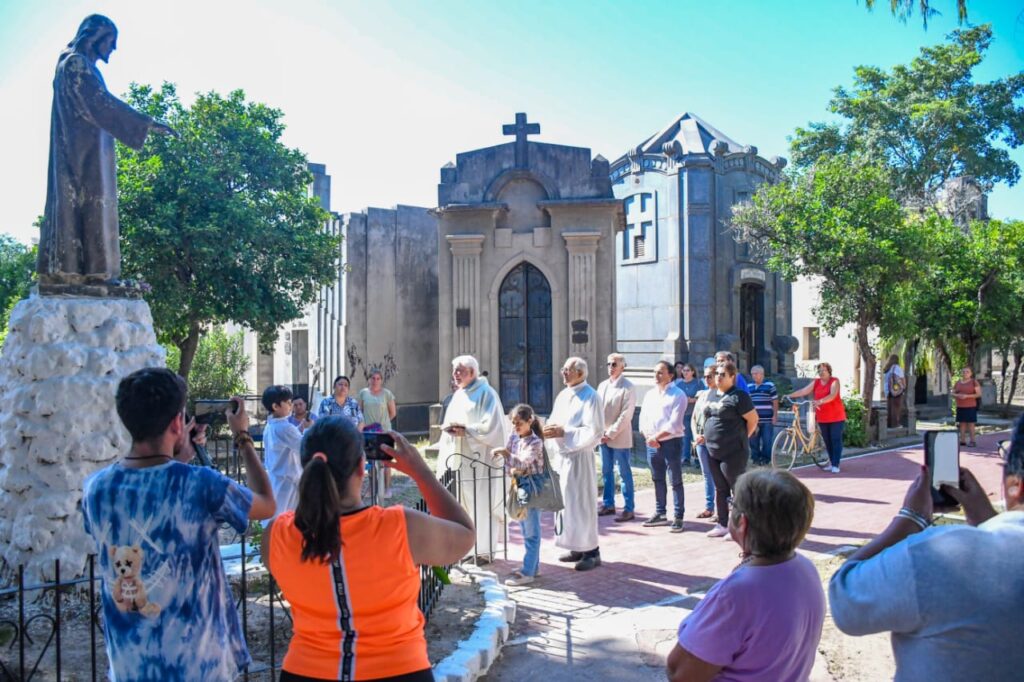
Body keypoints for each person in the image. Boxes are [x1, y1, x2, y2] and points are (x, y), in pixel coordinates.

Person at [82, 368, 275, 680]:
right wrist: (242, 437)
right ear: (176, 422)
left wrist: (176, 462)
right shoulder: (200, 484)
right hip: (198, 666)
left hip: (130, 665)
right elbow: (266, 503)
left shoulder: (96, 488)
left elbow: (149, 508)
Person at [262, 418, 475, 682]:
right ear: (362, 467)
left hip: (304, 673)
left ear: (305, 467)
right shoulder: (401, 528)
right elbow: (465, 534)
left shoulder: (276, 535)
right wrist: (420, 471)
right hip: (400, 672)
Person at [828, 415, 1024, 681]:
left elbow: (845, 599)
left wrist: (910, 519)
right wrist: (988, 520)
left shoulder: (939, 557)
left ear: (1015, 486)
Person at [39, 15, 175, 284]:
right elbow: (102, 104)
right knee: (91, 205)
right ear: (94, 37)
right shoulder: (76, 64)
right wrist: (148, 124)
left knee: (86, 207)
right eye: (111, 42)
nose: (113, 49)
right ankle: (95, 274)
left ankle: (83, 272)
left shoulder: (73, 64)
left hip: (84, 149)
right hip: (84, 156)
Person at [667, 470, 824, 682]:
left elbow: (679, 672)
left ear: (742, 522)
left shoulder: (737, 594)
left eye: (733, 504)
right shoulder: (805, 568)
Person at [437, 355, 509, 560]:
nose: (455, 374)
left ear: (472, 372)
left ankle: (484, 551)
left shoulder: (487, 394)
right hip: (461, 459)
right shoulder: (459, 394)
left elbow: (492, 427)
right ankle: (469, 548)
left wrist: (467, 431)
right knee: (464, 505)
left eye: (459, 370)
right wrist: (452, 429)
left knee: (481, 504)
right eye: (454, 370)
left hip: (481, 461)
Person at [544, 357, 605, 571]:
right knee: (566, 504)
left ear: (580, 373)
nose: (564, 373)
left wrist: (565, 433)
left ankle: (591, 551)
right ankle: (575, 545)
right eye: (563, 369)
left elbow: (595, 430)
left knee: (581, 504)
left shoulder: (591, 396)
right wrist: (549, 432)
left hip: (580, 458)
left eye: (568, 370)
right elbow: (553, 420)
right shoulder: (563, 395)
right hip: (563, 458)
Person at [703, 361, 759, 538]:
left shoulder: (739, 396)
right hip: (712, 450)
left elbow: (753, 420)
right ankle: (722, 523)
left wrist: (742, 437)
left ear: (732, 377)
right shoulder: (713, 394)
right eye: (716, 374)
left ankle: (739, 526)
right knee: (720, 488)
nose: (718, 377)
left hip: (733, 451)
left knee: (737, 488)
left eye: (722, 374)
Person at [494, 404, 547, 586]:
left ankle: (528, 572)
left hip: (533, 487)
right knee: (524, 527)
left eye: (519, 423)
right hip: (519, 485)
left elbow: (523, 463)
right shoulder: (514, 438)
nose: (516, 427)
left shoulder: (536, 442)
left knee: (532, 531)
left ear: (530, 421)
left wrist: (507, 455)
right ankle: (533, 567)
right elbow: (510, 467)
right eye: (514, 423)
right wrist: (511, 461)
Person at [639, 361, 688, 532]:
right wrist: (648, 437)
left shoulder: (678, 395)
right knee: (657, 478)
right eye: (655, 372)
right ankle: (660, 512)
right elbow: (643, 419)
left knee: (675, 480)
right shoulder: (649, 394)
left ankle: (678, 516)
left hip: (671, 442)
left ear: (671, 375)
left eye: (660, 372)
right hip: (651, 443)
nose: (656, 375)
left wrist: (656, 437)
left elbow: (674, 424)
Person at [597, 353, 638, 522]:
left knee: (623, 472)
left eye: (614, 364)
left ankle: (629, 508)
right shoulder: (602, 386)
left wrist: (611, 433)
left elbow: (626, 415)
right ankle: (608, 504)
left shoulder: (628, 387)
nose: (611, 367)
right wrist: (600, 432)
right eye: (608, 364)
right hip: (602, 437)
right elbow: (597, 410)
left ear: (622, 366)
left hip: (619, 436)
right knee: (606, 471)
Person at [788, 362, 847, 473]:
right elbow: (804, 391)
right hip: (823, 416)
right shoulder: (816, 382)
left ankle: (836, 464)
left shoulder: (834, 381)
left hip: (836, 416)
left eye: (823, 370)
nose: (821, 373)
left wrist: (820, 401)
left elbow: (833, 395)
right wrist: (789, 395)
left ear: (829, 371)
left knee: (835, 439)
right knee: (827, 440)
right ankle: (831, 462)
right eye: (819, 371)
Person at [262, 385, 304, 522]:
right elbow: (304, 446)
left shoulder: (271, 425)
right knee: (284, 521)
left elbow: (289, 441)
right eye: (287, 402)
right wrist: (309, 430)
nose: (291, 405)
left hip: (278, 479)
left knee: (278, 519)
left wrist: (301, 428)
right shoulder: (285, 428)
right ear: (275, 406)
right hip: (288, 481)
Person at [359, 370, 398, 497]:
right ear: (369, 379)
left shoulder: (387, 394)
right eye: (373, 378)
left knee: (385, 460)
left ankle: (387, 488)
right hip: (368, 432)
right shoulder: (363, 393)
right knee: (370, 461)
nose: (375, 381)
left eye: (378, 378)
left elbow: (392, 413)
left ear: (381, 380)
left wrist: (382, 425)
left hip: (384, 432)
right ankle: (371, 488)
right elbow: (360, 412)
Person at [691, 366, 718, 520]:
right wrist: (696, 435)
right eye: (705, 376)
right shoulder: (702, 395)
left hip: (714, 440)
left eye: (710, 376)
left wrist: (706, 437)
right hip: (700, 440)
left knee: (718, 475)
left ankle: (724, 507)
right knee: (706, 474)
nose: (707, 379)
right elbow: (694, 418)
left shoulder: (720, 396)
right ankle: (709, 507)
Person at [748, 365, 778, 466]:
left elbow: (775, 401)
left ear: (762, 374)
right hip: (753, 421)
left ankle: (766, 459)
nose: (754, 376)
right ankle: (756, 458)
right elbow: (748, 403)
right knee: (753, 441)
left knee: (767, 441)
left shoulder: (770, 385)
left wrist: (775, 416)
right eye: (752, 374)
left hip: (767, 419)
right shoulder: (749, 387)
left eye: (756, 374)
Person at [673, 362, 702, 466]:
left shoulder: (698, 383)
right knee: (686, 437)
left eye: (687, 370)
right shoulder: (679, 384)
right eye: (684, 370)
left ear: (692, 372)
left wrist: (694, 399)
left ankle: (698, 459)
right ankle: (686, 458)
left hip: (696, 414)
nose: (685, 372)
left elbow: (702, 396)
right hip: (684, 413)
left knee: (696, 436)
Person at [952, 366, 982, 447]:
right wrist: (958, 395)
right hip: (960, 406)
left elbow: (978, 394)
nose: (965, 373)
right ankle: (962, 441)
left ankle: (973, 441)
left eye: (967, 372)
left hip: (970, 406)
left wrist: (967, 396)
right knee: (962, 424)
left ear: (971, 373)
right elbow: (952, 393)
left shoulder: (974, 382)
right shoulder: (958, 382)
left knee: (971, 424)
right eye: (964, 372)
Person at [883, 354, 907, 429]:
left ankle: (889, 424)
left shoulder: (887, 369)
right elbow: (902, 379)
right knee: (896, 408)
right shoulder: (897, 368)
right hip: (896, 391)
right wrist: (903, 387)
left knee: (890, 407)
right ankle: (895, 424)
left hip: (888, 391)